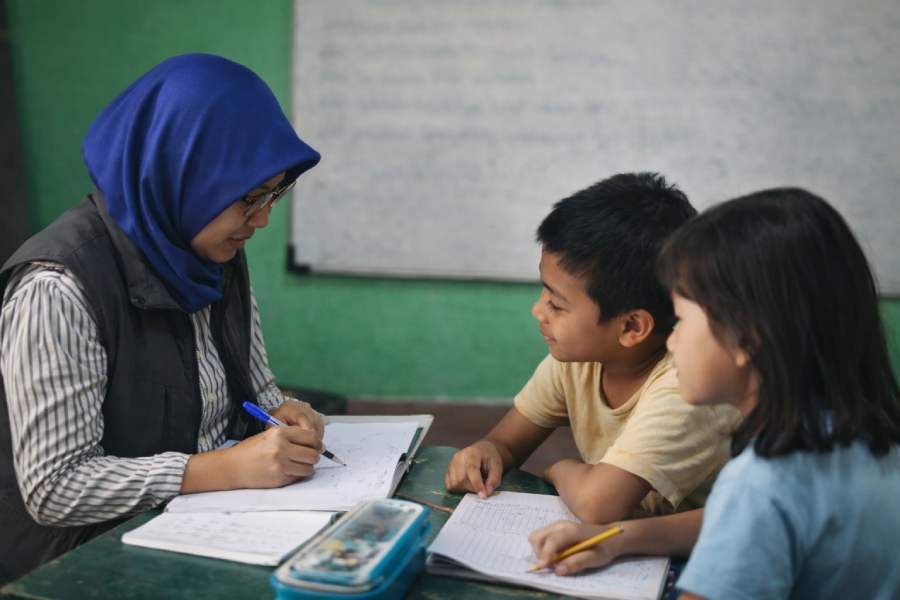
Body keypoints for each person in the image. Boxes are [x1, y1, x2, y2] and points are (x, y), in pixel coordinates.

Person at [0, 54, 326, 582]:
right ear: (180, 175)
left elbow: (255, 388)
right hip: (79, 564)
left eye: (274, 194)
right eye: (249, 198)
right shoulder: (58, 288)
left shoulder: (210, 253)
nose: (263, 219)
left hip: (197, 528)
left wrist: (280, 412)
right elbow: (55, 487)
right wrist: (217, 469)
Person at [530, 188, 900, 598]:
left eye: (682, 319)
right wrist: (618, 538)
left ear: (746, 339)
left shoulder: (761, 482)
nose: (672, 341)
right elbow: (735, 520)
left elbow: (750, 509)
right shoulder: (861, 438)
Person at [445, 173, 741, 524]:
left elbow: (596, 504)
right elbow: (505, 444)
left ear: (631, 327)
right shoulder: (578, 360)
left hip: (694, 547)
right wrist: (485, 452)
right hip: (626, 538)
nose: (538, 310)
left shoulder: (686, 386)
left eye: (557, 304)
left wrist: (557, 468)